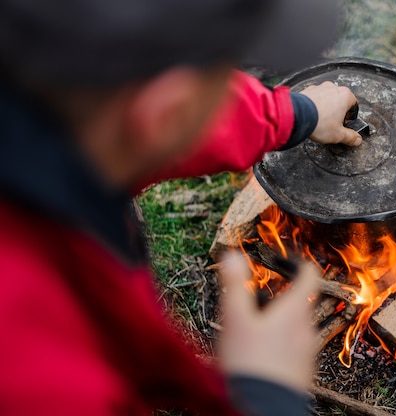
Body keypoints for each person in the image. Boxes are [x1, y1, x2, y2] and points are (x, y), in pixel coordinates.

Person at [0, 0, 362, 415]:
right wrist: (266, 393)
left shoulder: (43, 108)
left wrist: (296, 114)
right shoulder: (42, 376)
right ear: (167, 112)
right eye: (221, 73)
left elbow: (154, 115)